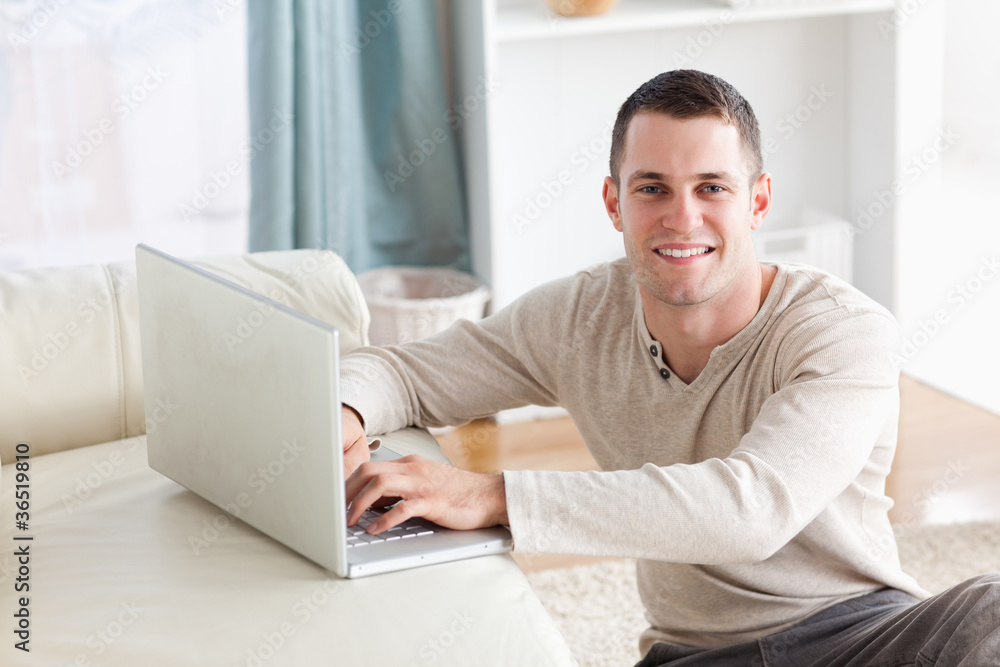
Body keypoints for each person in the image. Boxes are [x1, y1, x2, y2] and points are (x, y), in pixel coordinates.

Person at [338, 70, 1000, 665]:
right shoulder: (578, 317)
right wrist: (345, 410)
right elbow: (406, 374)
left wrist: (490, 493)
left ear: (757, 201)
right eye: (652, 188)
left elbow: (750, 509)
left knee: (989, 609)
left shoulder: (842, 331)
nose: (683, 218)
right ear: (614, 202)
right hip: (696, 655)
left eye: (712, 187)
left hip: (860, 638)